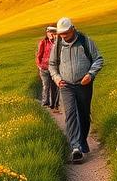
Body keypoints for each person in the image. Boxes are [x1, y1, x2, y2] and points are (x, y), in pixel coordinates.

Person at [48, 17, 103, 163]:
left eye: (66, 33)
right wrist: (57, 78)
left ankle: (82, 142)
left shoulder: (85, 41)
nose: (63, 36)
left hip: (84, 84)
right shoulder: (58, 45)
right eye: (61, 34)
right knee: (71, 114)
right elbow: (52, 65)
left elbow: (98, 59)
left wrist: (90, 75)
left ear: (73, 29)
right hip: (66, 85)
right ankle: (75, 147)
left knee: (84, 114)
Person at [36, 26, 59, 111]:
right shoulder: (43, 42)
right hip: (45, 68)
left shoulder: (58, 43)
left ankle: (54, 105)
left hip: (55, 69)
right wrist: (39, 66)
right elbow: (39, 55)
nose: (51, 34)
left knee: (55, 87)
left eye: (53, 32)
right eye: (49, 32)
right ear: (47, 33)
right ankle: (45, 103)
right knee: (46, 86)